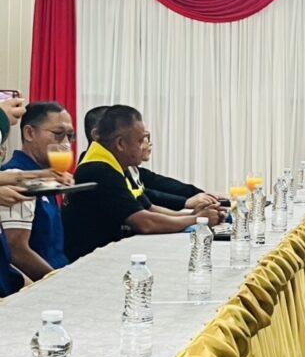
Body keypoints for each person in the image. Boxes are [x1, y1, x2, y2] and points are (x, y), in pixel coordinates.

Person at [62, 105, 222, 261]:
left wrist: (191, 215)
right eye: (140, 141)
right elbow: (145, 222)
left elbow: (148, 208)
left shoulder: (114, 162)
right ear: (120, 144)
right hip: (89, 260)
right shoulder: (99, 170)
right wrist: (197, 219)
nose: (145, 146)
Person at [0, 102, 76, 270]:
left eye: (70, 136)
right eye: (58, 134)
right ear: (29, 133)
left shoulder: (46, 175)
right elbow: (16, 250)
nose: (66, 143)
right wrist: (59, 280)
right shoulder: (14, 175)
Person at [131, 132, 219, 211]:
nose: (149, 143)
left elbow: (165, 184)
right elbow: (148, 197)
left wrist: (202, 194)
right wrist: (185, 203)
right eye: (143, 138)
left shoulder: (136, 171)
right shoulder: (124, 175)